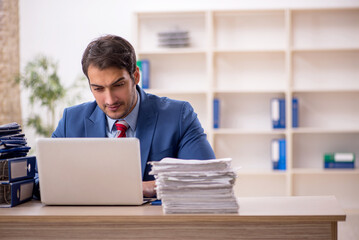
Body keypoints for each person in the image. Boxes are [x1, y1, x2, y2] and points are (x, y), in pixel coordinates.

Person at [49, 34, 215, 198]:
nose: (110, 99)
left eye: (118, 85)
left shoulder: (178, 116)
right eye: (98, 89)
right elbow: (41, 180)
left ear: (135, 76)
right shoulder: (71, 121)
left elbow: (207, 178)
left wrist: (154, 187)